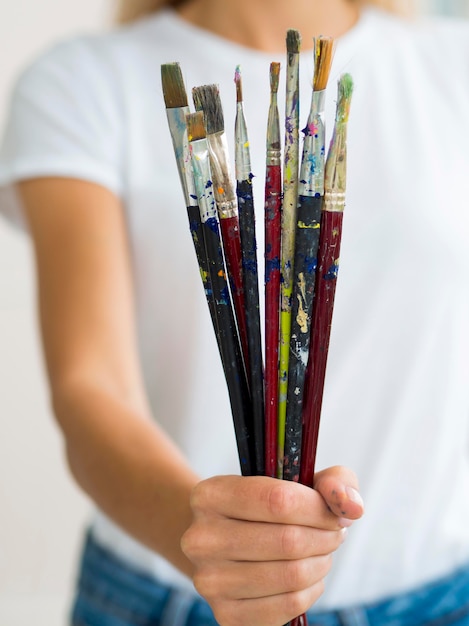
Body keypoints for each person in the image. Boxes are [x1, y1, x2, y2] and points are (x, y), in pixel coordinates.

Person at [1, 0, 469, 624]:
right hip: (164, 596)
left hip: (441, 596)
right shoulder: (82, 81)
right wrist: (211, 540)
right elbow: (92, 387)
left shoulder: (451, 61)